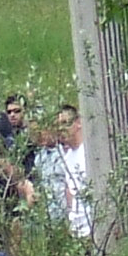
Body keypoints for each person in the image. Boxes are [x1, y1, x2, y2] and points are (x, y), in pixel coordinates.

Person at [38, 103, 94, 241]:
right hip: (77, 230)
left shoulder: (90, 152)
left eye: (65, 123)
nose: (62, 129)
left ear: (78, 123)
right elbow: (70, 191)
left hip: (93, 226)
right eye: (59, 125)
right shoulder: (67, 157)